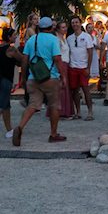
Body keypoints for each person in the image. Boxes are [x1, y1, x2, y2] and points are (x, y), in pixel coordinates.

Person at [12, 17, 67, 145]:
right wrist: (63, 76)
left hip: (33, 78)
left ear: (39, 27)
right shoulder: (53, 40)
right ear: (51, 28)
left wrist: (24, 78)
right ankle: (53, 134)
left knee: (32, 105)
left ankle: (20, 127)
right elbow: (57, 59)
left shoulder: (32, 40)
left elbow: (25, 60)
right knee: (54, 105)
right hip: (50, 77)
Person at [67, 16, 94, 120]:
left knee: (86, 89)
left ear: (80, 23)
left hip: (83, 67)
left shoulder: (86, 37)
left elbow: (90, 52)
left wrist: (88, 67)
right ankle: (78, 112)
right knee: (74, 90)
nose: (74, 24)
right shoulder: (69, 38)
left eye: (76, 22)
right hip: (73, 67)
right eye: (73, 22)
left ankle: (90, 112)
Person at [0, 27, 24, 139]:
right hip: (5, 80)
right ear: (9, 37)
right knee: (5, 106)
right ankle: (9, 130)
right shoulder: (11, 50)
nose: (16, 36)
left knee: (3, 105)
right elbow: (23, 59)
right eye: (14, 35)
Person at [54, 21, 72, 119]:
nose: (65, 29)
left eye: (65, 27)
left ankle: (65, 110)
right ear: (58, 29)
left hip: (66, 63)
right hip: (61, 63)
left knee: (65, 87)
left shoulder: (64, 38)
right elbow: (57, 55)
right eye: (62, 27)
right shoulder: (57, 39)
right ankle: (60, 111)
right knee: (62, 87)